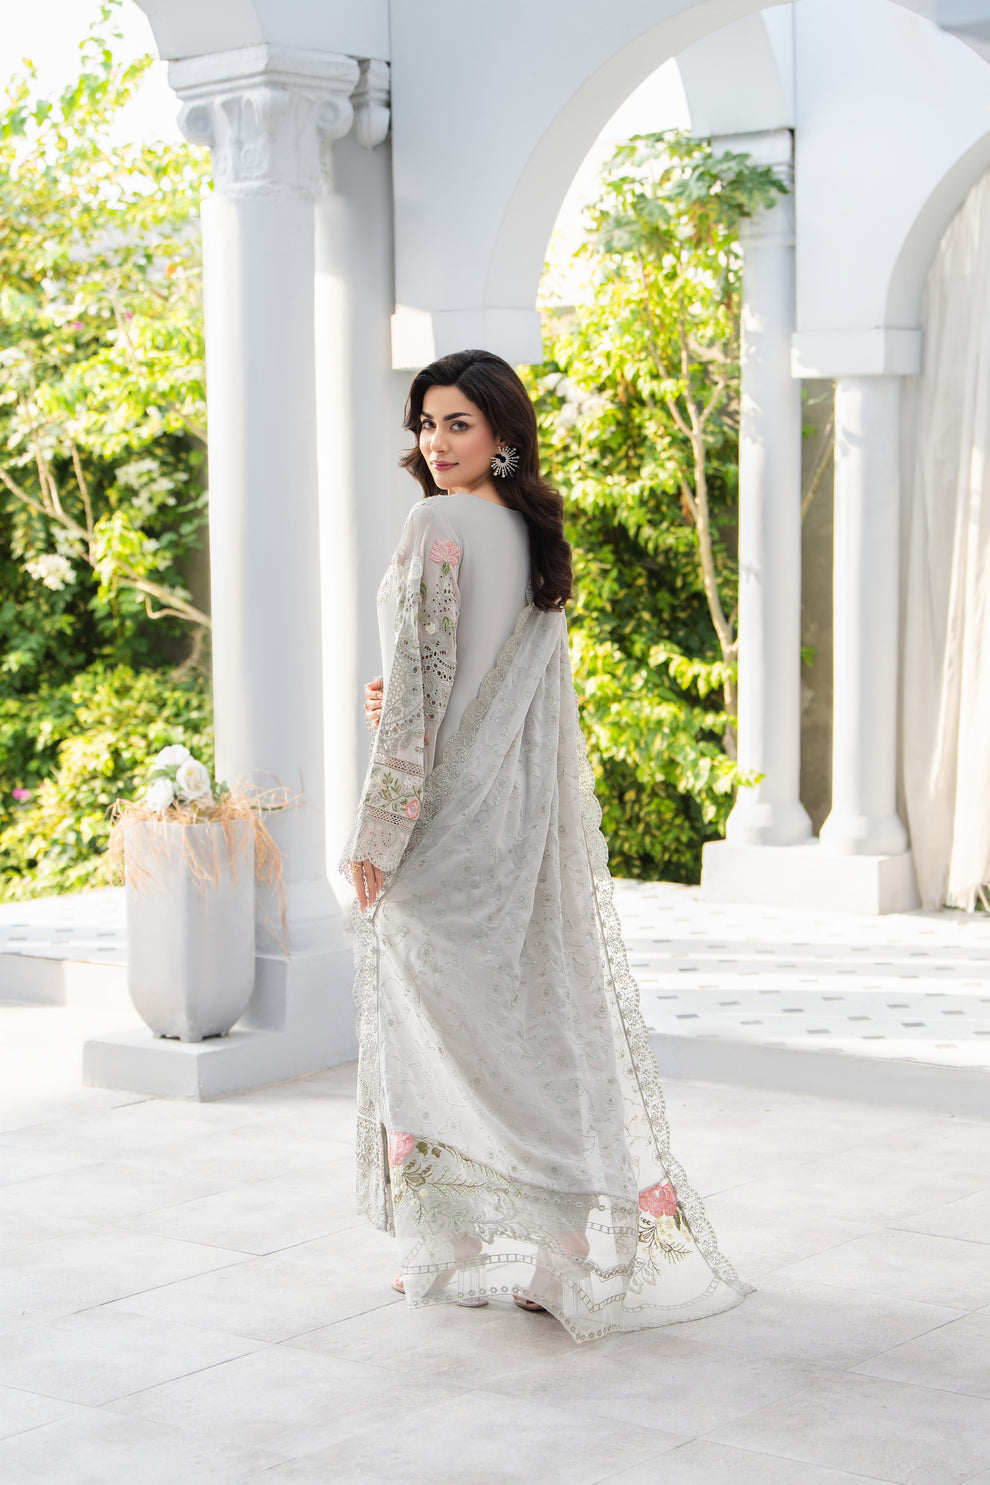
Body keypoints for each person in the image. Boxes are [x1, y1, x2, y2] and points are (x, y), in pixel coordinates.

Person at [340, 348, 753, 1343]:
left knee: (438, 1030)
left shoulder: (438, 524)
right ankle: (555, 1243)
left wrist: (375, 832)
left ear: (502, 434)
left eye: (458, 423)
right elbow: (472, 685)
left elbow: (426, 685)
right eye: (427, 423)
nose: (437, 442)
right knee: (519, 1025)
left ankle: (460, 1241)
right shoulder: (532, 535)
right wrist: (403, 699)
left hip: (442, 824)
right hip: (512, 824)